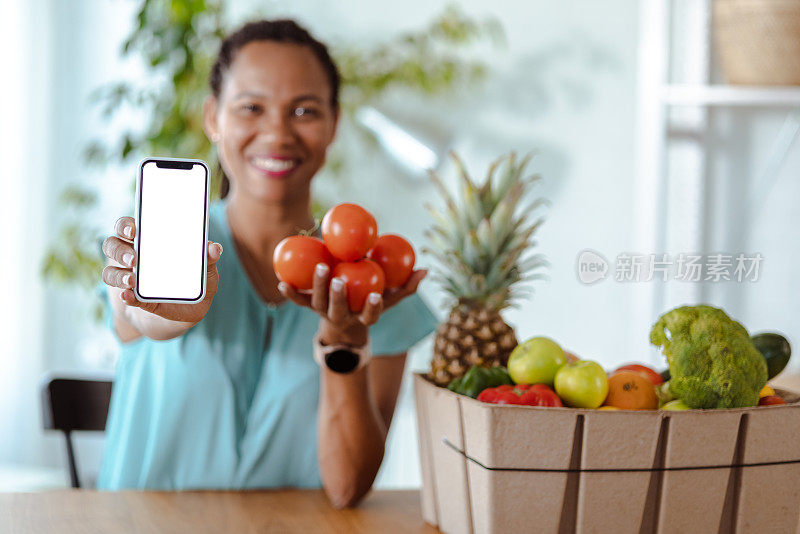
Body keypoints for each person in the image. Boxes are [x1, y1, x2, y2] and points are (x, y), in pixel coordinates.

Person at [98, 19, 437, 507]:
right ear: (213, 117)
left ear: (333, 124)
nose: (277, 133)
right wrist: (171, 309)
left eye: (304, 110)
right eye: (251, 107)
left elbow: (346, 488)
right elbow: (142, 319)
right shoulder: (161, 240)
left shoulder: (375, 283)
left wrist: (344, 346)